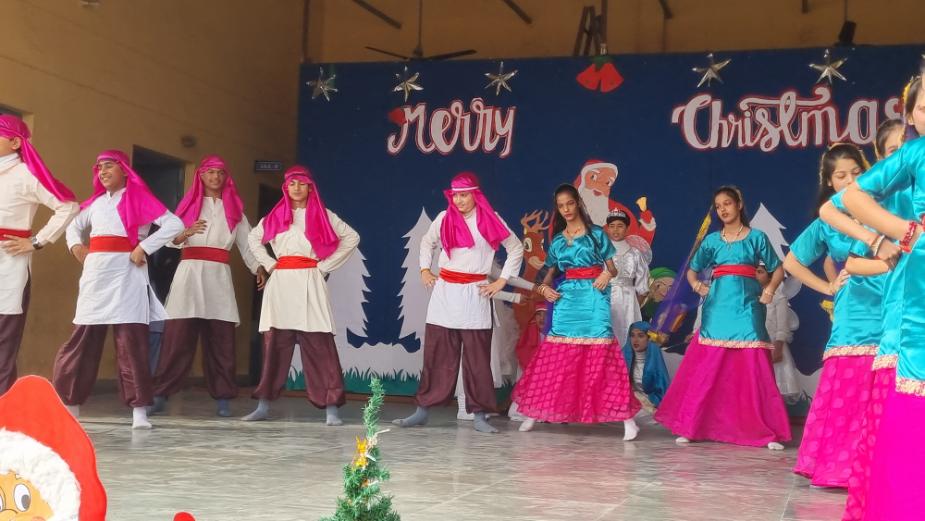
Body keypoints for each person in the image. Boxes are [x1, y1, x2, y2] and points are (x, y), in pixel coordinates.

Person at [54, 150, 184, 429]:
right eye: (99, 167)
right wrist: (76, 247)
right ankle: (71, 406)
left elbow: (175, 224)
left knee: (131, 343)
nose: (102, 171)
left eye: (109, 166)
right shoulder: (95, 203)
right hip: (96, 275)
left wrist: (143, 247)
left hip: (128, 274)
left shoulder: (140, 198)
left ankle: (139, 412)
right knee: (84, 338)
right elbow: (72, 226)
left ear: (124, 169)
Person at [654, 186, 791, 450]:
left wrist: (770, 290)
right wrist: (698, 286)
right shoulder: (712, 241)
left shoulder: (757, 237)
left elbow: (778, 269)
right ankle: (692, 426)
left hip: (748, 308)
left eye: (727, 203)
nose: (723, 209)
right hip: (717, 309)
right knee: (707, 368)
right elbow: (692, 270)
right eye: (718, 206)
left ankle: (764, 430)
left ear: (739, 204)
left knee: (753, 369)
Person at [393, 172, 523, 434]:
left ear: (475, 194)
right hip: (445, 293)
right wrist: (424, 269)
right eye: (455, 195)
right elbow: (427, 242)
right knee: (437, 355)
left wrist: (502, 281)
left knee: (477, 359)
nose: (459, 200)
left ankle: (480, 415)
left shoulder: (490, 218)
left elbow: (516, 247)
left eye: (464, 195)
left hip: (475, 294)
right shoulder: (444, 218)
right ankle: (422, 410)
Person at [512, 184, 641, 439]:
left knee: (603, 358)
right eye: (561, 206)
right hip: (567, 299)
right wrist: (543, 289)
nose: (567, 209)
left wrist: (606, 274)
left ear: (578, 203)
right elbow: (548, 274)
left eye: (570, 203)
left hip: (594, 296)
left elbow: (612, 268)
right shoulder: (559, 240)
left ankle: (627, 419)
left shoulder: (596, 234)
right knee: (557, 358)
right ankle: (533, 411)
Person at [150, 155, 264, 418]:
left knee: (221, 340)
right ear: (200, 176)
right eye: (210, 172)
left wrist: (257, 267)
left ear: (226, 178)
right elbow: (167, 239)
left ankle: (223, 397)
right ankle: (161, 394)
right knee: (177, 339)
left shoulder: (235, 211)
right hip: (189, 274)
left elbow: (248, 245)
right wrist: (185, 233)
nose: (215, 177)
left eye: (220, 173)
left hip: (218, 277)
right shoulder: (188, 207)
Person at [244, 165, 359, 425]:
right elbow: (253, 238)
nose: (296, 188)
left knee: (320, 345)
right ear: (286, 187)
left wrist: (324, 266)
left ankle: (331, 407)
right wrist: (269, 264)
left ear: (310, 187)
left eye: (301, 183)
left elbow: (352, 237)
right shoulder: (275, 216)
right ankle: (263, 405)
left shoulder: (323, 215)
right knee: (274, 345)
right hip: (282, 283)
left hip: (310, 280)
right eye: (291, 184)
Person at [0, 115, 79, 394]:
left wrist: (36, 241)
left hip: (9, 265)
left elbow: (68, 206)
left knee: (3, 338)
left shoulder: (26, 174)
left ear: (15, 142)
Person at [756, 263, 801, 403]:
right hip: (755, 346)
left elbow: (783, 326)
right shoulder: (751, 296)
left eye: (760, 272)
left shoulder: (778, 297)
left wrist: (778, 347)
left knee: (775, 386)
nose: (755, 275)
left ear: (771, 277)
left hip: (774, 345)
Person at [606, 209, 650, 345]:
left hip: (629, 300)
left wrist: (634, 304)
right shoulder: (601, 253)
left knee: (628, 336)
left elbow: (643, 286)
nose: (615, 230)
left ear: (627, 228)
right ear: (607, 228)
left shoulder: (636, 253)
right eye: (612, 226)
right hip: (606, 299)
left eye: (620, 226)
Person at [622, 321, 670, 413]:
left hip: (650, 405)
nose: (635, 340)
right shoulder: (623, 358)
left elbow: (662, 393)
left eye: (640, 336)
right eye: (632, 335)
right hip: (628, 403)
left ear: (649, 339)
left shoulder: (655, 361)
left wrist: (649, 401)